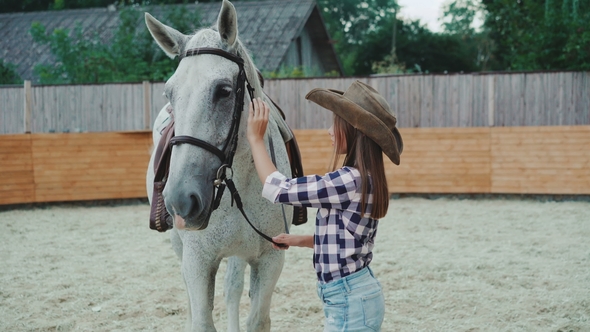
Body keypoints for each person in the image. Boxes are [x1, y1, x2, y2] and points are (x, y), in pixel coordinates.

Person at [246, 80, 403, 332]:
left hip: (349, 299)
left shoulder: (348, 180)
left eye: (336, 124)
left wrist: (255, 139)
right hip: (356, 292)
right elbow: (346, 242)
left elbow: (278, 188)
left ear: (354, 131)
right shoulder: (366, 178)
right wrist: (298, 240)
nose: (329, 130)